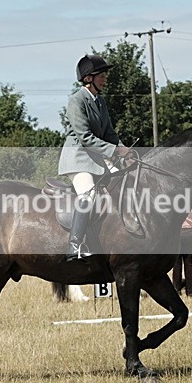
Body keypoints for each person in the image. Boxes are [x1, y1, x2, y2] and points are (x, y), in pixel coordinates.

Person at [57, 54, 134, 262]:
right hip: (78, 158)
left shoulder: (100, 101)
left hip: (97, 158)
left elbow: (109, 133)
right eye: (101, 75)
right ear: (89, 78)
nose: (105, 78)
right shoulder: (77, 100)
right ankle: (75, 244)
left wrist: (124, 149)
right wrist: (115, 151)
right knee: (88, 195)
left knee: (124, 184)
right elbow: (85, 137)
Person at [172, 209, 192, 296]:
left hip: (177, 234)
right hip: (189, 233)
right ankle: (190, 291)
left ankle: (176, 290)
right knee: (189, 264)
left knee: (177, 264)